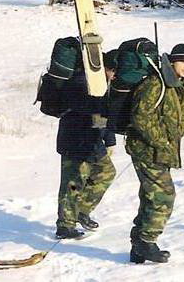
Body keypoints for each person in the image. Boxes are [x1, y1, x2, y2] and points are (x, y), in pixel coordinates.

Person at [126, 43, 184, 264]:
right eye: (183, 61)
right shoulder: (156, 83)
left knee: (150, 196)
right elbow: (140, 116)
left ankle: (138, 247)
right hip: (147, 150)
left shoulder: (179, 86)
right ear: (172, 61)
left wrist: (169, 141)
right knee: (164, 195)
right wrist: (161, 141)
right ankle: (147, 241)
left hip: (160, 151)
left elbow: (178, 119)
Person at [55, 49, 119, 239]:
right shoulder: (81, 81)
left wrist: (109, 140)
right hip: (75, 140)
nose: (115, 76)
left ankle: (81, 211)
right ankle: (65, 226)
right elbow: (88, 109)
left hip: (93, 141)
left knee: (106, 172)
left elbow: (103, 115)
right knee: (73, 183)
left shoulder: (103, 84)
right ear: (105, 68)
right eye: (113, 71)